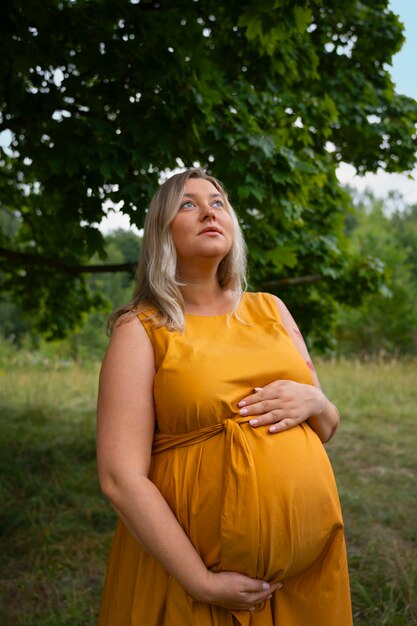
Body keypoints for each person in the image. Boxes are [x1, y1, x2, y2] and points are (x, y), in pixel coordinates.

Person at [96, 168, 353, 626]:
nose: (209, 212)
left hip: (305, 579)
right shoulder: (141, 328)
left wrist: (317, 403)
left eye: (218, 203)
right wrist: (201, 581)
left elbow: (326, 425)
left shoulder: (270, 309)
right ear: (161, 231)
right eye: (188, 204)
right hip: (196, 577)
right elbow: (120, 477)